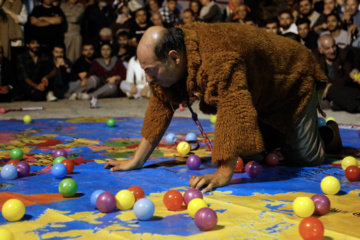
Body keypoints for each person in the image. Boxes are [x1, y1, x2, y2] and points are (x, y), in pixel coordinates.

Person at [104, 24, 359, 192]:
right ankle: (284, 133)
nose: (147, 79)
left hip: (293, 78)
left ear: (174, 58)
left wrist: (223, 173)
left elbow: (234, 107)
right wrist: (137, 161)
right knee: (251, 154)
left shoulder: (218, 58)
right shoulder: (173, 59)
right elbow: (161, 104)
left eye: (151, 71)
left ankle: (327, 133)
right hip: (259, 90)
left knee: (302, 159)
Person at [314, 34, 360, 112]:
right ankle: (337, 105)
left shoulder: (344, 54)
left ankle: (357, 106)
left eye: (333, 46)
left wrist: (329, 86)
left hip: (345, 89)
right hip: (326, 92)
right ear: (320, 50)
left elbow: (348, 77)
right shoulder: (315, 58)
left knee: (332, 90)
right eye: (327, 48)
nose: (332, 51)